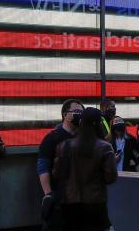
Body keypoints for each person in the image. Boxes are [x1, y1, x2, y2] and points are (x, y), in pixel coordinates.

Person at [52, 107, 117, 231]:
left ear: (80, 123)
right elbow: (110, 178)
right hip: (95, 203)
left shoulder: (64, 146)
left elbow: (56, 173)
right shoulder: (104, 147)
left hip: (69, 203)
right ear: (98, 124)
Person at [38, 99, 83, 229]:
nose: (79, 114)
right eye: (76, 112)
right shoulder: (52, 138)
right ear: (65, 115)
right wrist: (48, 194)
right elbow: (43, 166)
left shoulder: (84, 137)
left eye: (81, 112)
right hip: (59, 197)